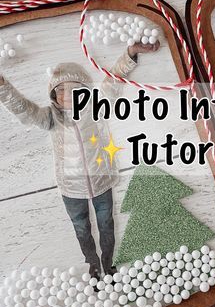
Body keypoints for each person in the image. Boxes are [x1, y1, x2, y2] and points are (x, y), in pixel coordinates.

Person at [0, 41, 160, 279]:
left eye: (74, 88)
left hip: (101, 182)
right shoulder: (50, 118)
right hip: (70, 189)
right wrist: (2, 86)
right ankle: (93, 264)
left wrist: (131, 53)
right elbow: (23, 109)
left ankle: (108, 262)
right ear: (54, 94)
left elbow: (113, 80)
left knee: (106, 223)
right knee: (82, 228)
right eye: (61, 90)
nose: (67, 95)